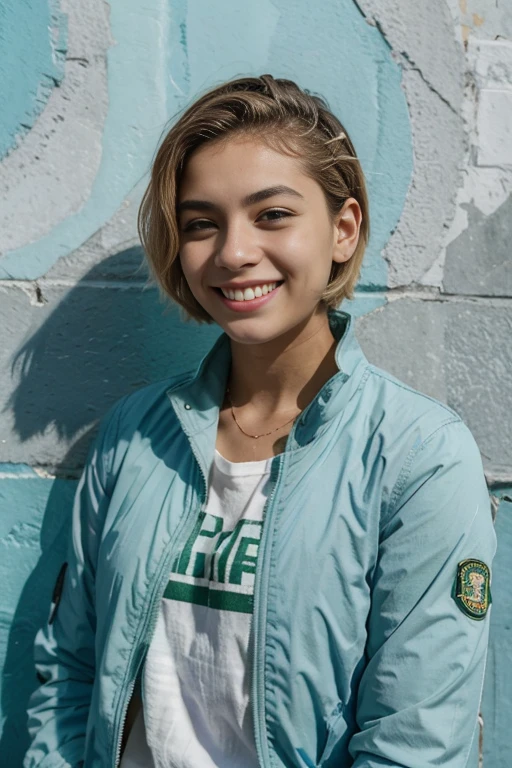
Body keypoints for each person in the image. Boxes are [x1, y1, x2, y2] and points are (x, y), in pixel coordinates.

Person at [24, 74, 496, 768]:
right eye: (200, 223)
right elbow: (68, 672)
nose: (233, 252)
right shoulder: (133, 434)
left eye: (271, 215)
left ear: (343, 230)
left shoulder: (418, 458)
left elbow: (416, 744)